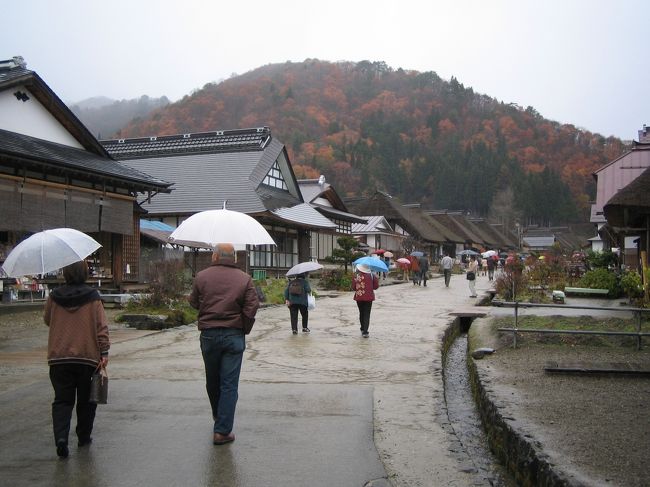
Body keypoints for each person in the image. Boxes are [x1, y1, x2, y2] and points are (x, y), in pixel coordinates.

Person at [188, 243, 260, 446]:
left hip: (209, 334)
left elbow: (193, 302)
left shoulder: (201, 276)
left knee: (212, 379)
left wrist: (206, 307)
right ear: (234, 258)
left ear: (214, 256)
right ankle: (222, 430)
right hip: (233, 334)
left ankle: (218, 416)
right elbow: (252, 306)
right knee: (229, 383)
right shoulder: (244, 279)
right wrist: (243, 327)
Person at [44, 260, 110, 459]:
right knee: (86, 401)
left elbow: (47, 320)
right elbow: (101, 327)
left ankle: (61, 439)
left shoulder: (54, 297)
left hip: (59, 357)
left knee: (62, 401)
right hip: (87, 357)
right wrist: (104, 351)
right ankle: (83, 437)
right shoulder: (93, 297)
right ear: (85, 273)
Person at [352, 263, 379, 338]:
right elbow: (376, 287)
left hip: (359, 297)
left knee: (361, 312)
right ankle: (365, 332)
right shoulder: (372, 275)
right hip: (369, 297)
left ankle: (362, 328)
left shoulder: (356, 276)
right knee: (367, 314)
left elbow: (353, 288)